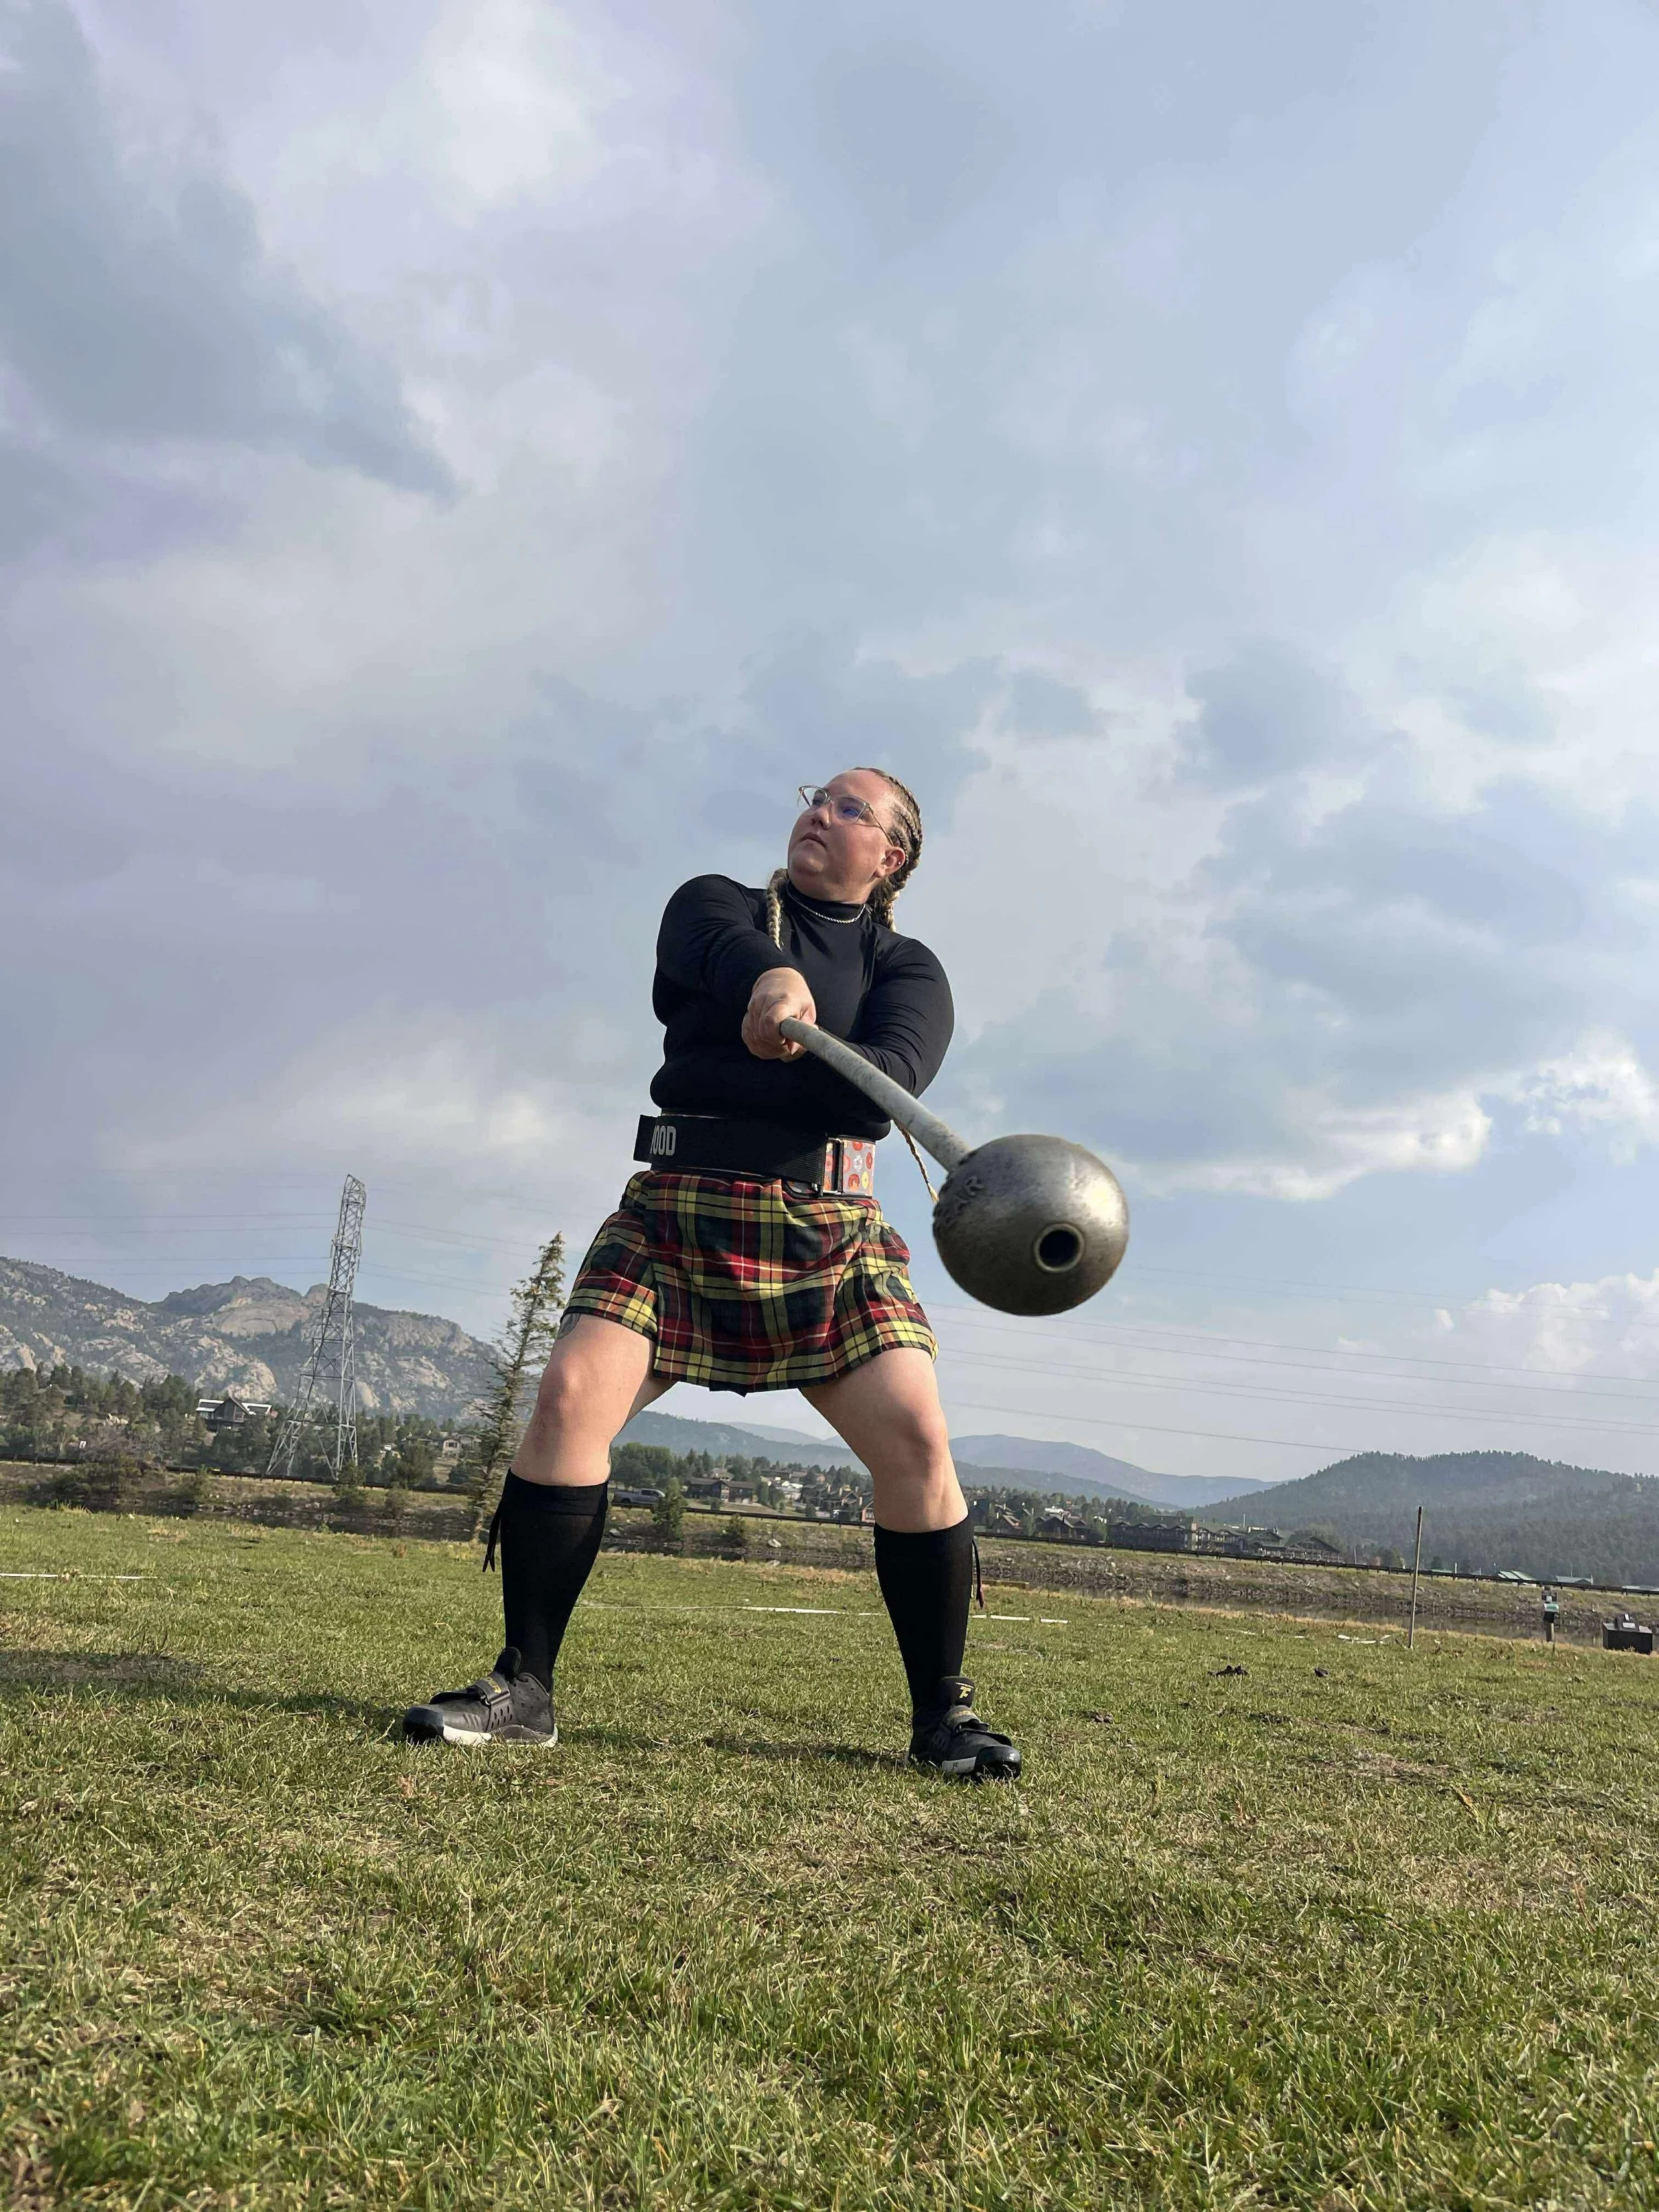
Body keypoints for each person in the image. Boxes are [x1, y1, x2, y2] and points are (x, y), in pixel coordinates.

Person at [403, 770, 1019, 1779]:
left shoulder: (910, 968)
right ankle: (524, 1689)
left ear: (893, 855)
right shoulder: (716, 906)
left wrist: (768, 1055)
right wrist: (769, 987)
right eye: (816, 796)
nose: (821, 813)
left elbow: (879, 1097)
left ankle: (942, 1719)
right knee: (567, 1397)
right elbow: (726, 954)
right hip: (680, 1207)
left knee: (917, 1438)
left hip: (829, 1227)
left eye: (852, 810)